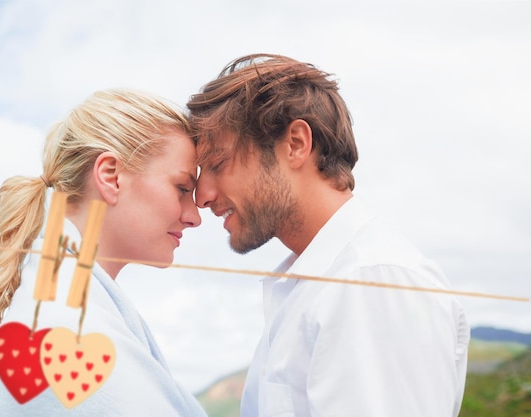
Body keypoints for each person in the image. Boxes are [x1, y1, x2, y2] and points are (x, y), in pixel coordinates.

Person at [187, 54, 469, 417]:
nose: (202, 195)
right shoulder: (317, 285)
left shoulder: (368, 283)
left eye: (217, 164)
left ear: (296, 144)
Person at [0, 89, 208, 416]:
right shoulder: (64, 324)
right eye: (182, 189)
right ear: (110, 176)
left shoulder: (74, 306)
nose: (194, 215)